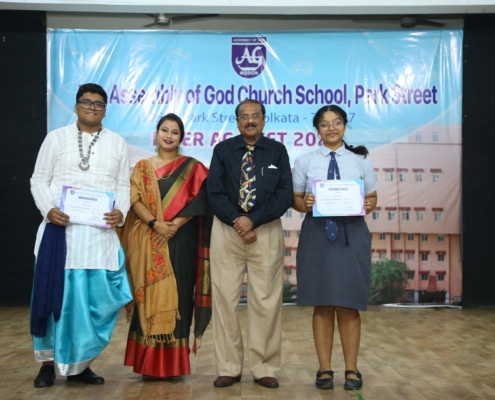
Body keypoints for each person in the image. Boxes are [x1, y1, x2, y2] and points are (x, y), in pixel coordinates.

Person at [30, 83, 133, 388]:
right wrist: (49, 209)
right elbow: (38, 179)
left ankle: (80, 363)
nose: (92, 108)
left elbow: (123, 186)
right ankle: (47, 364)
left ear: (105, 110)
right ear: (76, 106)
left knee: (91, 304)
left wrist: (121, 211)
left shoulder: (117, 143)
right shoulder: (56, 138)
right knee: (54, 299)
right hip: (60, 237)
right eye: (86, 102)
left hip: (98, 240)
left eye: (98, 104)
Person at [207, 99, 293, 389]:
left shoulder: (278, 151)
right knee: (224, 301)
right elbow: (214, 192)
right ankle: (228, 367)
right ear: (237, 121)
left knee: (266, 301)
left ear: (264, 119)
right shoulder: (222, 150)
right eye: (244, 116)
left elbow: (284, 194)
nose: (250, 120)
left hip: (265, 231)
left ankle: (264, 367)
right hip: (226, 231)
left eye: (255, 115)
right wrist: (237, 221)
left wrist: (252, 220)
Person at [119, 113, 212, 380]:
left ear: (181, 138)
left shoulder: (193, 168)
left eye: (175, 132)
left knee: (179, 298)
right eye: (164, 130)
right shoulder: (142, 167)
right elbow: (134, 200)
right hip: (148, 239)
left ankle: (172, 365)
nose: (169, 135)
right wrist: (154, 224)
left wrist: (173, 225)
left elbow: (201, 201)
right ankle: (147, 364)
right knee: (147, 296)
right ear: (156, 134)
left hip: (181, 241)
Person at [291, 105, 377, 391]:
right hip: (317, 235)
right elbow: (295, 199)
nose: (331, 128)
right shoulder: (305, 161)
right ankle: (324, 369)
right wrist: (306, 204)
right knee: (323, 302)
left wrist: (367, 204)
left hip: (352, 233)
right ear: (317, 129)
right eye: (325, 124)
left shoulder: (361, 160)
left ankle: (352, 369)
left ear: (344, 126)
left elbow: (372, 197)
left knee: (349, 303)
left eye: (336, 122)